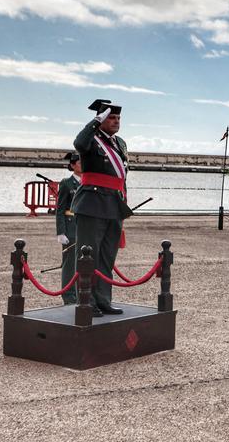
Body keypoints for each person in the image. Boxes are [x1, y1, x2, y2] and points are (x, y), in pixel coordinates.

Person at [71, 99, 132, 317]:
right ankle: (86, 301)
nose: (116, 121)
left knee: (107, 256)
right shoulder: (92, 139)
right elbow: (79, 144)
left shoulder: (120, 143)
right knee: (89, 255)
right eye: (111, 118)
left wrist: (124, 203)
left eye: (118, 118)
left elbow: (122, 176)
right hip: (92, 203)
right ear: (101, 120)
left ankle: (104, 299)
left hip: (114, 204)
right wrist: (95, 121)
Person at [56, 152, 82, 305]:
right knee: (69, 264)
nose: (83, 165)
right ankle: (68, 296)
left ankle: (82, 294)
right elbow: (59, 209)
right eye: (79, 162)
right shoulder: (66, 183)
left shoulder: (89, 182)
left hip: (86, 226)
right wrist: (60, 231)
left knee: (85, 262)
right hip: (71, 226)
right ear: (72, 165)